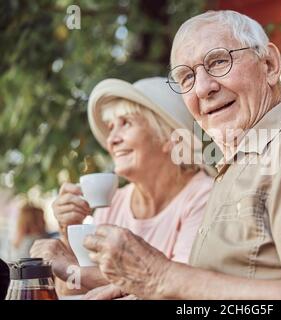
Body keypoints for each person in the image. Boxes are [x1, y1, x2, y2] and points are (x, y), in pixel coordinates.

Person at [83, 10, 281, 300]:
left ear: (270, 65)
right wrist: (143, 286)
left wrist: (162, 277)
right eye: (186, 78)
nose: (202, 88)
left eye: (219, 61)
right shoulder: (235, 169)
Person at [30, 77, 214, 296]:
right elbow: (71, 292)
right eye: (110, 127)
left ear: (169, 138)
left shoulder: (205, 196)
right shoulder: (112, 202)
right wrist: (67, 235)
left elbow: (181, 292)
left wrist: (71, 267)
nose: (111, 139)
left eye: (126, 123)